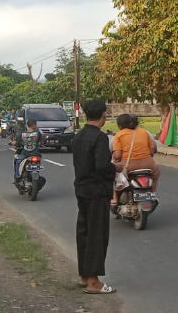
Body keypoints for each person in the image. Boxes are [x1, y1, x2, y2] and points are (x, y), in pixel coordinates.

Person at [71, 99, 116, 294]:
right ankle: (94, 282)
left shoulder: (79, 135)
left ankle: (84, 275)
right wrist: (116, 168)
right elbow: (102, 166)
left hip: (82, 189)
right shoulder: (100, 138)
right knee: (97, 235)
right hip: (97, 191)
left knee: (84, 232)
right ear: (104, 115)